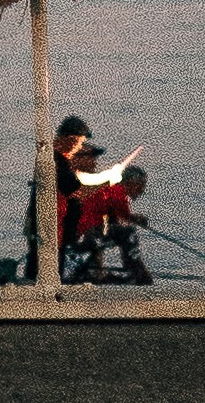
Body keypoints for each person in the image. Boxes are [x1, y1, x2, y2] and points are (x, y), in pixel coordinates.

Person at [52, 113, 150, 284]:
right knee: (121, 234)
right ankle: (134, 274)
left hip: (76, 232)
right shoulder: (66, 175)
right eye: (89, 156)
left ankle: (99, 272)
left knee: (107, 232)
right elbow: (81, 192)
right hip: (74, 234)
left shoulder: (80, 179)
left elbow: (113, 210)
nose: (95, 161)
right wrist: (109, 180)